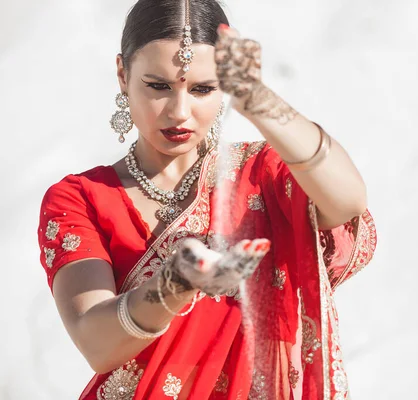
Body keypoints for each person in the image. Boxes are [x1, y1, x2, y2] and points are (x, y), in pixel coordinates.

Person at [37, 0, 377, 398]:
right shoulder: (81, 198)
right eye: (158, 86)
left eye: (202, 89)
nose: (180, 112)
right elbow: (97, 344)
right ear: (122, 74)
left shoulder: (264, 175)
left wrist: (262, 104)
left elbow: (348, 202)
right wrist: (176, 283)